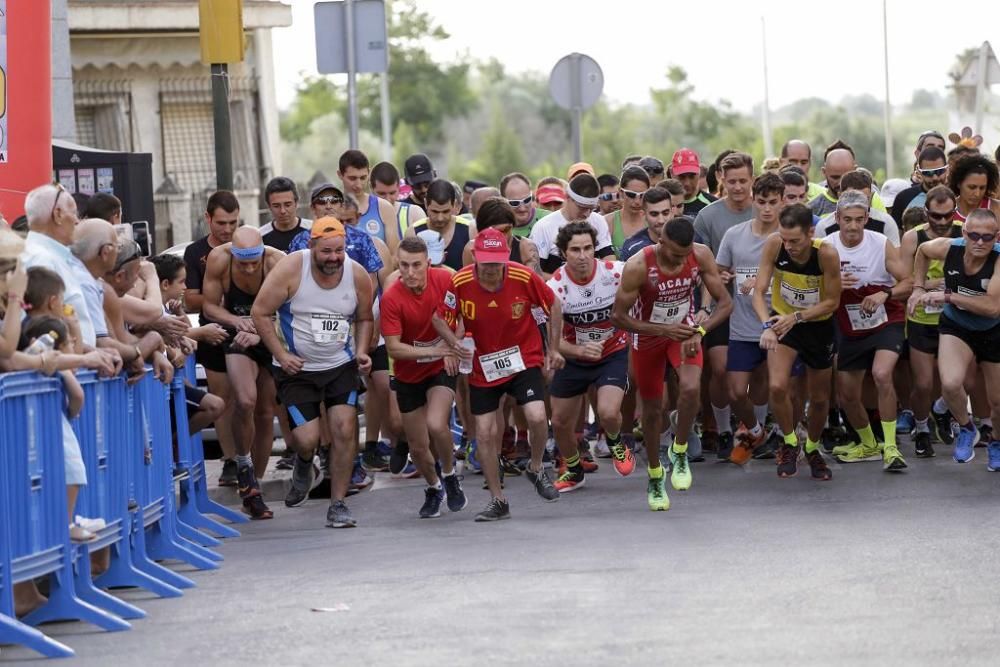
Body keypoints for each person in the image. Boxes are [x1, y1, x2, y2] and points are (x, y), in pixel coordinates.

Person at [432, 220, 565, 522]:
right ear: (475, 257)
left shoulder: (523, 275)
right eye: (486, 263)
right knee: (485, 433)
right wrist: (454, 344)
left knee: (534, 416)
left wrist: (553, 349)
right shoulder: (461, 281)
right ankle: (497, 499)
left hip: (523, 357)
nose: (492, 269)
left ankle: (535, 466)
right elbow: (440, 318)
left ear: (507, 257)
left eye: (498, 263)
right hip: (484, 365)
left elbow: (554, 305)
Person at [251, 218, 374, 528]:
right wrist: (280, 355)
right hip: (298, 369)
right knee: (306, 439)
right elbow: (260, 312)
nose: (334, 258)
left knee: (345, 429)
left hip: (339, 365)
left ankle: (338, 504)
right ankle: (305, 462)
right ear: (311, 247)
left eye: (339, 251)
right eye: (327, 252)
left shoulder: (356, 274)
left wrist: (361, 351)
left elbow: (364, 318)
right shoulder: (293, 269)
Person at [611, 216, 732, 510]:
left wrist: (700, 330)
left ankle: (679, 451)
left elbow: (726, 303)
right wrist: (661, 330)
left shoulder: (700, 254)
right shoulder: (639, 265)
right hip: (649, 336)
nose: (681, 261)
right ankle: (654, 474)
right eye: (675, 255)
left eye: (685, 254)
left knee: (690, 389)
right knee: (653, 410)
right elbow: (619, 316)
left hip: (684, 332)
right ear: (660, 242)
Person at [821, 191, 911, 470]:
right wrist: (835, 286)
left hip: (885, 319)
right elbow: (811, 290)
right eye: (847, 220)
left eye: (859, 220)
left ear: (867, 219)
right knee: (847, 394)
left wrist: (885, 293)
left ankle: (892, 448)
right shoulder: (826, 245)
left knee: (882, 374)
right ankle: (869, 444)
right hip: (848, 324)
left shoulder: (881, 243)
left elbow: (908, 283)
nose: (852, 226)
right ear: (837, 219)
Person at [380, 236, 467, 517]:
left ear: (428, 263)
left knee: (436, 423)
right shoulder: (392, 297)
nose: (410, 272)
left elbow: (462, 318)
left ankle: (450, 475)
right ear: (397, 264)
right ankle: (433, 487)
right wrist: (435, 348)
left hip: (440, 367)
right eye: (404, 265)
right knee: (417, 447)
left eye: (416, 265)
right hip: (408, 373)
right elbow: (393, 348)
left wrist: (452, 347)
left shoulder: (445, 280)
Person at [202, 227, 285, 519]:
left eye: (254, 261)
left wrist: (262, 332)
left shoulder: (278, 262)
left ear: (263, 252)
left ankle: (255, 486)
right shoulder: (219, 259)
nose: (249, 268)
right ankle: (243, 464)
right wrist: (236, 321)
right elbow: (210, 306)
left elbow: (291, 311)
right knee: (245, 401)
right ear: (233, 254)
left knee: (265, 411)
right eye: (243, 263)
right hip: (239, 336)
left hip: (270, 335)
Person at [752, 204, 841, 480]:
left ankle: (813, 448)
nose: (788, 246)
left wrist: (798, 317)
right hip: (783, 324)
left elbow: (832, 301)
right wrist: (768, 324)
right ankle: (790, 442)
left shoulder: (825, 253)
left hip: (818, 327)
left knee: (819, 398)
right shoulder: (774, 245)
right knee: (777, 386)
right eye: (785, 238)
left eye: (796, 240)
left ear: (810, 233)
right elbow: (758, 291)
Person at [908, 209, 1000, 469]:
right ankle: (967, 427)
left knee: (997, 401)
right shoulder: (949, 248)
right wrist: (917, 287)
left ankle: (996, 442)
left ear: (997, 237)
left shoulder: (998, 259)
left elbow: (993, 308)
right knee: (949, 384)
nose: (980, 242)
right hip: (957, 325)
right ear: (964, 233)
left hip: (994, 329)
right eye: (974, 236)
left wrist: (947, 296)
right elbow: (922, 251)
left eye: (987, 237)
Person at [547, 222, 632, 492]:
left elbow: (647, 287)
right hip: (574, 357)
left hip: (612, 352)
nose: (582, 256)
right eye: (575, 250)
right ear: (563, 253)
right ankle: (574, 468)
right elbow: (551, 341)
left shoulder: (616, 272)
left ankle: (617, 442)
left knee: (608, 413)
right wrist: (578, 351)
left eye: (588, 248)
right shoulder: (555, 287)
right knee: (559, 421)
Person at [716, 173, 786, 463]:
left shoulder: (788, 236)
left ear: (782, 202)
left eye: (773, 202)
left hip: (777, 322)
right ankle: (757, 431)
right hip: (742, 324)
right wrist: (722, 277)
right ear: (753, 201)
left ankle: (773, 437)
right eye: (762, 202)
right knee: (734, 389)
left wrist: (761, 280)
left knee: (766, 385)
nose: (767, 208)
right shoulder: (735, 235)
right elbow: (718, 271)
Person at [694, 152, 756, 457]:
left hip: (757, 303)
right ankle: (722, 428)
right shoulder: (708, 217)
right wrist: (717, 274)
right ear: (721, 179)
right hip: (721, 300)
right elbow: (700, 265)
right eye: (731, 181)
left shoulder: (764, 211)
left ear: (752, 180)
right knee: (719, 368)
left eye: (743, 181)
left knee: (758, 371)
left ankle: (753, 429)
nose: (737, 187)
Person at [899, 185, 963, 457]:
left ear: (954, 210)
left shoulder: (967, 233)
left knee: (958, 381)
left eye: (947, 215)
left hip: (957, 316)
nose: (941, 222)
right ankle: (922, 428)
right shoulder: (914, 237)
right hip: (921, 318)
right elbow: (903, 280)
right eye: (935, 216)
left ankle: (942, 412)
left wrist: (935, 285)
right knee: (923, 383)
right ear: (926, 212)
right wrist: (929, 285)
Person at [183, 191, 239, 485]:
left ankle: (247, 457)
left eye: (233, 222)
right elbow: (190, 300)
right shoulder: (194, 253)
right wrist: (218, 299)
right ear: (208, 219)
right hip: (214, 333)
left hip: (247, 333)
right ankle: (230, 459)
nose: (227, 229)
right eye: (221, 223)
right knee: (223, 399)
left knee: (250, 400)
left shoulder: (250, 246)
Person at [530, 172, 616, 275]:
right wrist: (566, 283)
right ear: (567, 197)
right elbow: (535, 272)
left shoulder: (598, 221)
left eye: (591, 209)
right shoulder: (543, 227)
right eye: (582, 208)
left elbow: (609, 260)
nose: (587, 214)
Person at [813, 170, 901, 247]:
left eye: (864, 199)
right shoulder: (824, 227)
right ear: (839, 195)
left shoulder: (886, 223)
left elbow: (895, 260)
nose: (858, 204)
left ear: (871, 196)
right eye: (852, 198)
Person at [338, 149, 401, 252]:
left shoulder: (384, 208)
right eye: (352, 178)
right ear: (340, 174)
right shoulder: (331, 207)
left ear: (369, 173)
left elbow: (393, 255)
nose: (358, 185)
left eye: (363, 178)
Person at [408, 179, 471, 272]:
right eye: (435, 211)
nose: (440, 218)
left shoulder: (469, 229)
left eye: (445, 211)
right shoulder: (413, 232)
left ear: (454, 205)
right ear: (425, 204)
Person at [890, 148, 949, 224]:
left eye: (939, 171)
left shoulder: (957, 195)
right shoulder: (903, 198)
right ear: (919, 172)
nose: (935, 178)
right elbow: (898, 234)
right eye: (928, 173)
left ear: (947, 169)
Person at [370, 161, 426, 238]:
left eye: (392, 193)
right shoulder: (360, 214)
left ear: (399, 187)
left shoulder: (414, 214)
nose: (387, 199)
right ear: (371, 188)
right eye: (382, 194)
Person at [619, 187, 674, 262]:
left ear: (672, 212)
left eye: (665, 213)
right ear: (643, 215)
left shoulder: (688, 238)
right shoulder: (632, 247)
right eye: (654, 214)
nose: (661, 220)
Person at [606, 165, 650, 256]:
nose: (637, 201)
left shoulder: (653, 220)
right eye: (631, 195)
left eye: (642, 195)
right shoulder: (607, 223)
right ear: (621, 193)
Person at [260, 177, 311, 252]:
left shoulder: (312, 230)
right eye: (276, 206)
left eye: (287, 205)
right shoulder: (261, 236)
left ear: (296, 203)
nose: (282, 211)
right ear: (269, 206)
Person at [947, 153, 1000, 223]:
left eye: (982, 188)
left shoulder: (997, 209)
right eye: (972, 187)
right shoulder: (946, 209)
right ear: (959, 183)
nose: (977, 194)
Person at [500, 172, 548, 239]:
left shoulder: (547, 220)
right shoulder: (497, 227)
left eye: (527, 200)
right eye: (515, 203)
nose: (522, 208)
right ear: (503, 201)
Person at [671, 148, 717, 216]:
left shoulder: (713, 205)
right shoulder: (662, 205)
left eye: (692, 176)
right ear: (672, 173)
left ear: (699, 173)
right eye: (682, 177)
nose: (687, 183)